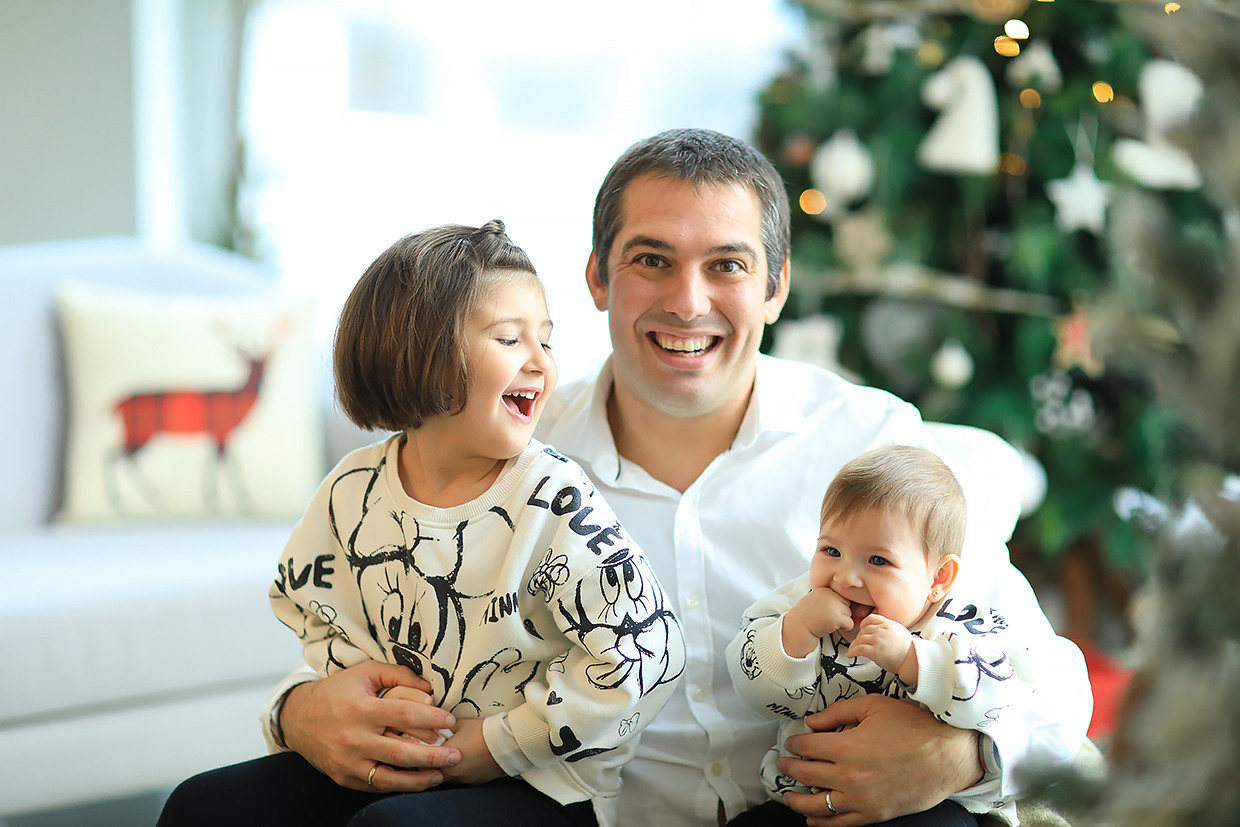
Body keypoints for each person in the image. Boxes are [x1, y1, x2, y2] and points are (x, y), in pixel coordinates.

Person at [170, 129, 1092, 827]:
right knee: (208, 811)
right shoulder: (509, 444)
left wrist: (960, 755)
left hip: (800, 812)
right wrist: (297, 711)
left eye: (726, 265)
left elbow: (1051, 682)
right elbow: (392, 622)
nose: (688, 301)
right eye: (652, 259)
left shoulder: (871, 444)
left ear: (774, 288)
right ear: (598, 278)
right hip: (561, 807)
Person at [159, 220, 685, 827]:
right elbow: (308, 599)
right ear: (426, 354)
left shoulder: (554, 499)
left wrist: (491, 745)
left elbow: (648, 656)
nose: (542, 362)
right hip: (399, 762)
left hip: (542, 786)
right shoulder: (351, 489)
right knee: (200, 806)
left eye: (546, 338)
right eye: (510, 340)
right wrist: (366, 700)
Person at [726, 444, 1043, 827]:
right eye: (831, 550)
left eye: (878, 560)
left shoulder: (960, 623)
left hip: (921, 806)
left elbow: (1007, 694)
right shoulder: (799, 605)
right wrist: (795, 633)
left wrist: (917, 661)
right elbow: (754, 691)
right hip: (802, 802)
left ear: (938, 578)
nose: (845, 577)